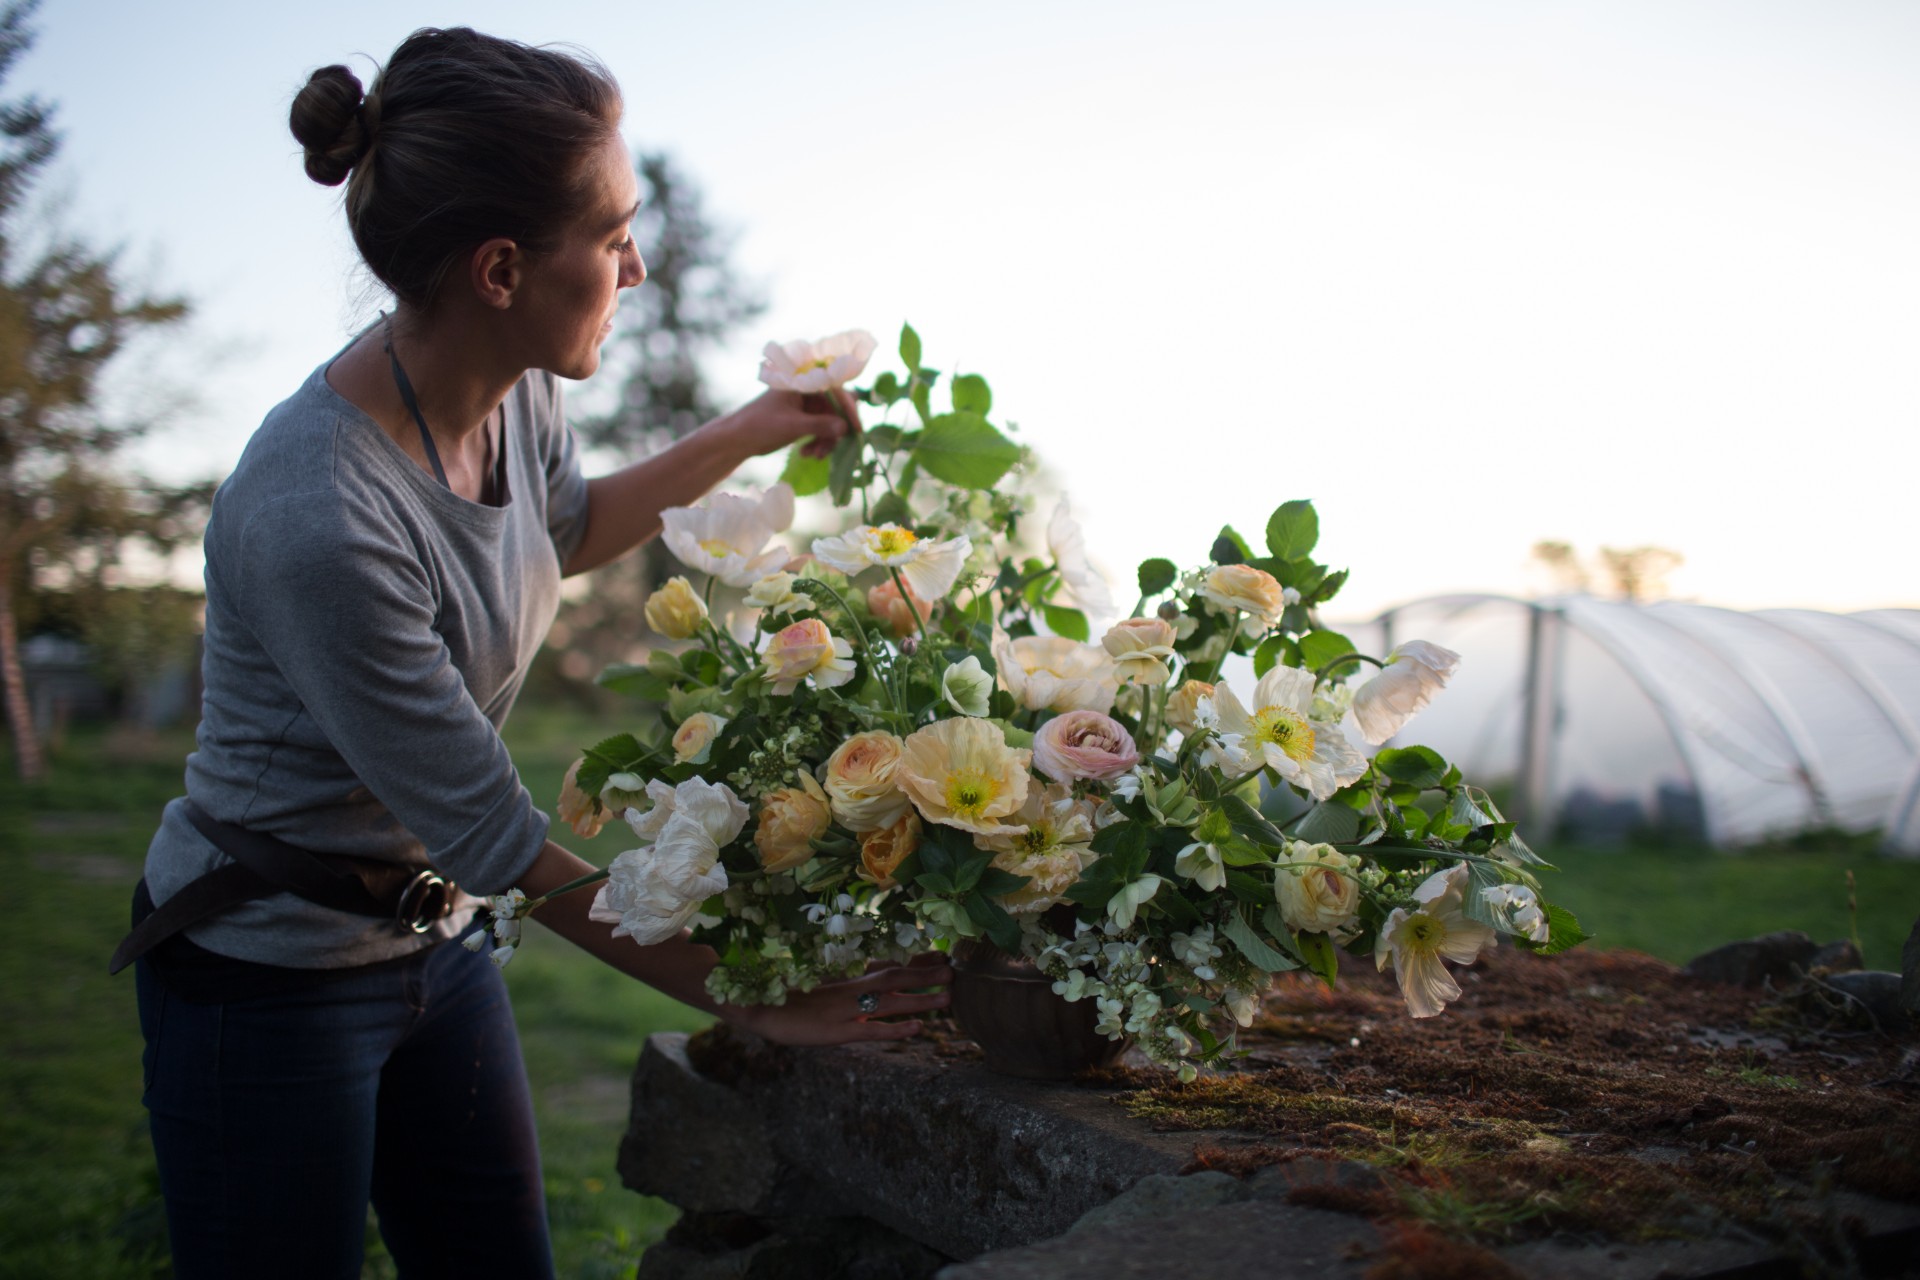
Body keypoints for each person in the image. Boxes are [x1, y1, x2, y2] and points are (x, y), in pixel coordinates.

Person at [124, 27, 950, 1279]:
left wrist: (750, 430)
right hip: (266, 974)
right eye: (614, 234)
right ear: (503, 268)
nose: (640, 263)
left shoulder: (517, 386)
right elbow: (494, 836)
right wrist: (748, 991)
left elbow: (565, 530)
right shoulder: (320, 518)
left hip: (435, 947)